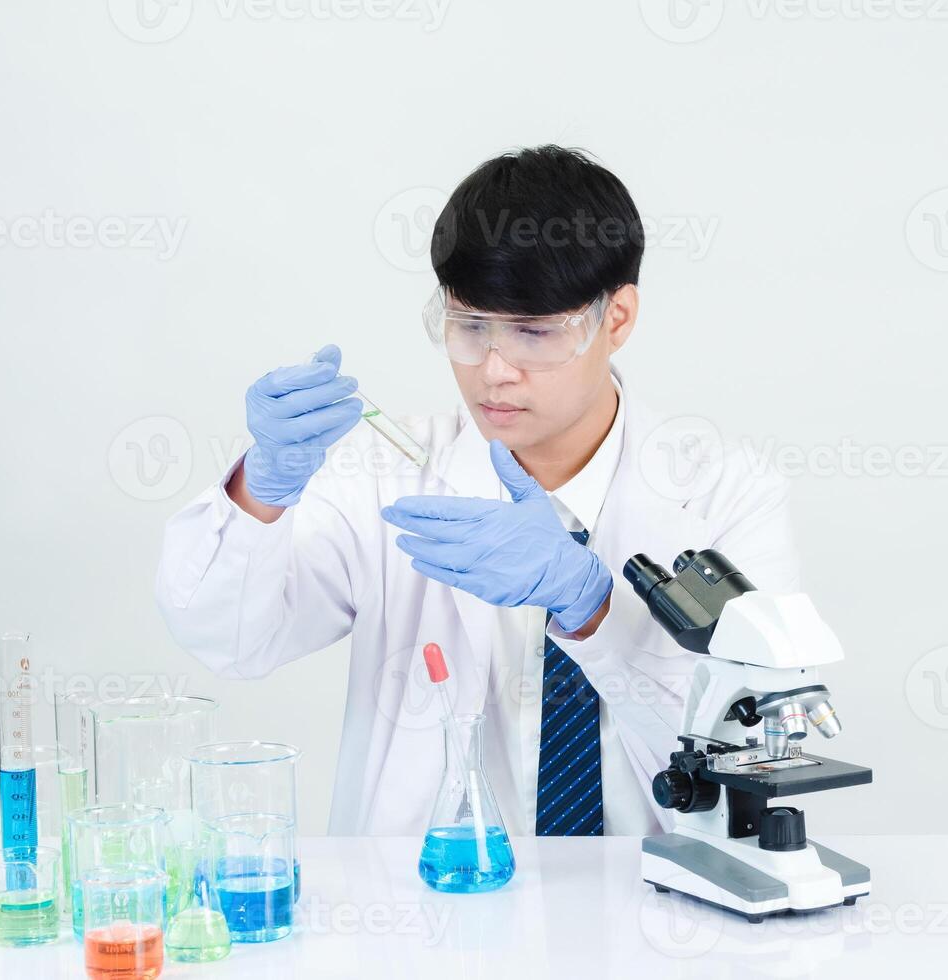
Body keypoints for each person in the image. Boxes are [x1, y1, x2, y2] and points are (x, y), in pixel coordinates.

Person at [156, 145, 797, 837]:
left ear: (617, 320)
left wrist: (592, 611)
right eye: (470, 327)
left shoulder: (726, 490)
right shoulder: (382, 470)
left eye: (533, 333)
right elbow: (234, 641)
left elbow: (758, 753)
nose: (495, 370)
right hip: (425, 916)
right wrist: (263, 490)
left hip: (655, 911)